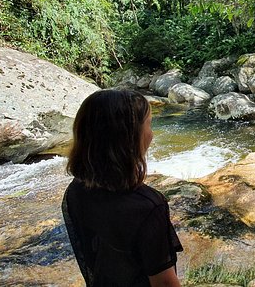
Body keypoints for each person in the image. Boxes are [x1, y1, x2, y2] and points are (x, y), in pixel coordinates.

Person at [62, 89, 183, 287]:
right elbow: (165, 284)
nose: (152, 134)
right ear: (128, 139)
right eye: (149, 124)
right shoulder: (148, 207)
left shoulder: (76, 190)